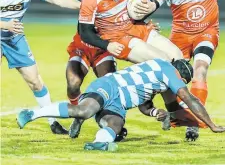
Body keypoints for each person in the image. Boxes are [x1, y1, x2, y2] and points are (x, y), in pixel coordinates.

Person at [17, 59, 225, 151]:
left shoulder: (159, 77)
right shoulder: (168, 71)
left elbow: (144, 105)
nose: (178, 87)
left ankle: (98, 143)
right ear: (180, 75)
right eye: (181, 82)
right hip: (110, 85)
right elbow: (190, 99)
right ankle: (32, 113)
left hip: (120, 103)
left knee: (115, 126)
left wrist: (154, 112)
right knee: (85, 110)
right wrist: (212, 125)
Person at [0, 0, 81, 134]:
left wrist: (83, 6)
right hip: (5, 30)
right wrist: (5, 25)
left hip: (14, 37)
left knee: (35, 81)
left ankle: (53, 123)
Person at [148, 0, 225, 140]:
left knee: (200, 69)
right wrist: (145, 22)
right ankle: (175, 115)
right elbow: (151, 5)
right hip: (180, 36)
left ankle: (195, 123)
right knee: (169, 80)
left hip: (206, 32)